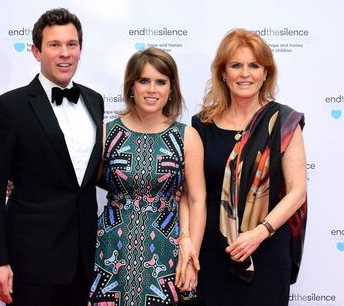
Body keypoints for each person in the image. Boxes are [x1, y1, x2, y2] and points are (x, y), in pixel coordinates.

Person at [0, 8, 104, 306]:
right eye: (54, 45)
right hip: (30, 262)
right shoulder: (10, 108)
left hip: (83, 261)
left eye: (71, 44)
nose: (64, 54)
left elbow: (87, 174)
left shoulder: (94, 101)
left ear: (80, 50)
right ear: (36, 51)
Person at [191, 29, 307, 306]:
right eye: (236, 65)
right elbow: (191, 195)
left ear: (266, 73)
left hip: (265, 247)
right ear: (223, 73)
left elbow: (297, 192)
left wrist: (258, 234)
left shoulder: (283, 122)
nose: (245, 73)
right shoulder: (201, 125)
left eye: (254, 65)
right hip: (213, 249)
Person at [88, 47, 206, 306]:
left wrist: (190, 255)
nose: (152, 89)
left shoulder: (187, 137)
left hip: (166, 250)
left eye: (161, 82)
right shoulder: (106, 133)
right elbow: (79, 182)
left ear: (171, 89)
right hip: (110, 248)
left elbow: (197, 200)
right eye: (144, 81)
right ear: (132, 86)